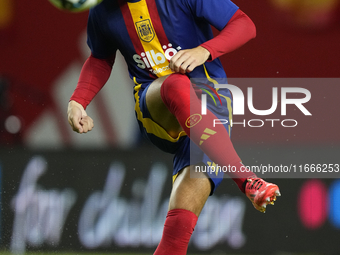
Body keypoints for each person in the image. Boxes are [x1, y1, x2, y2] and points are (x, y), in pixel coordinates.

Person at [67, 0, 281, 254]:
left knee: (175, 240)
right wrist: (78, 100)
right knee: (176, 84)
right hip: (156, 107)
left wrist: (204, 50)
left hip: (210, 106)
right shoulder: (102, 10)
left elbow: (245, 25)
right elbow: (100, 58)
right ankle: (247, 180)